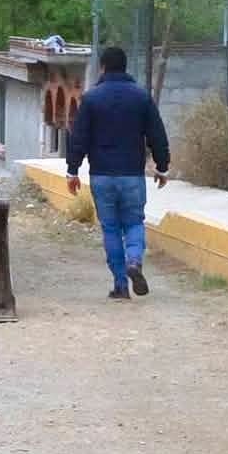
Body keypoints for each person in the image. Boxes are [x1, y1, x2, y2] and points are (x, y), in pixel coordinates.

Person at [66, 47, 170, 300]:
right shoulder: (141, 97)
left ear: (102, 67)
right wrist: (162, 165)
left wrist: (72, 170)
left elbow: (79, 137)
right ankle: (134, 260)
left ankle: (121, 285)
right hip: (132, 175)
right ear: (125, 67)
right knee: (134, 222)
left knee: (111, 228)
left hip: (101, 175)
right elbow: (156, 134)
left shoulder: (91, 99)